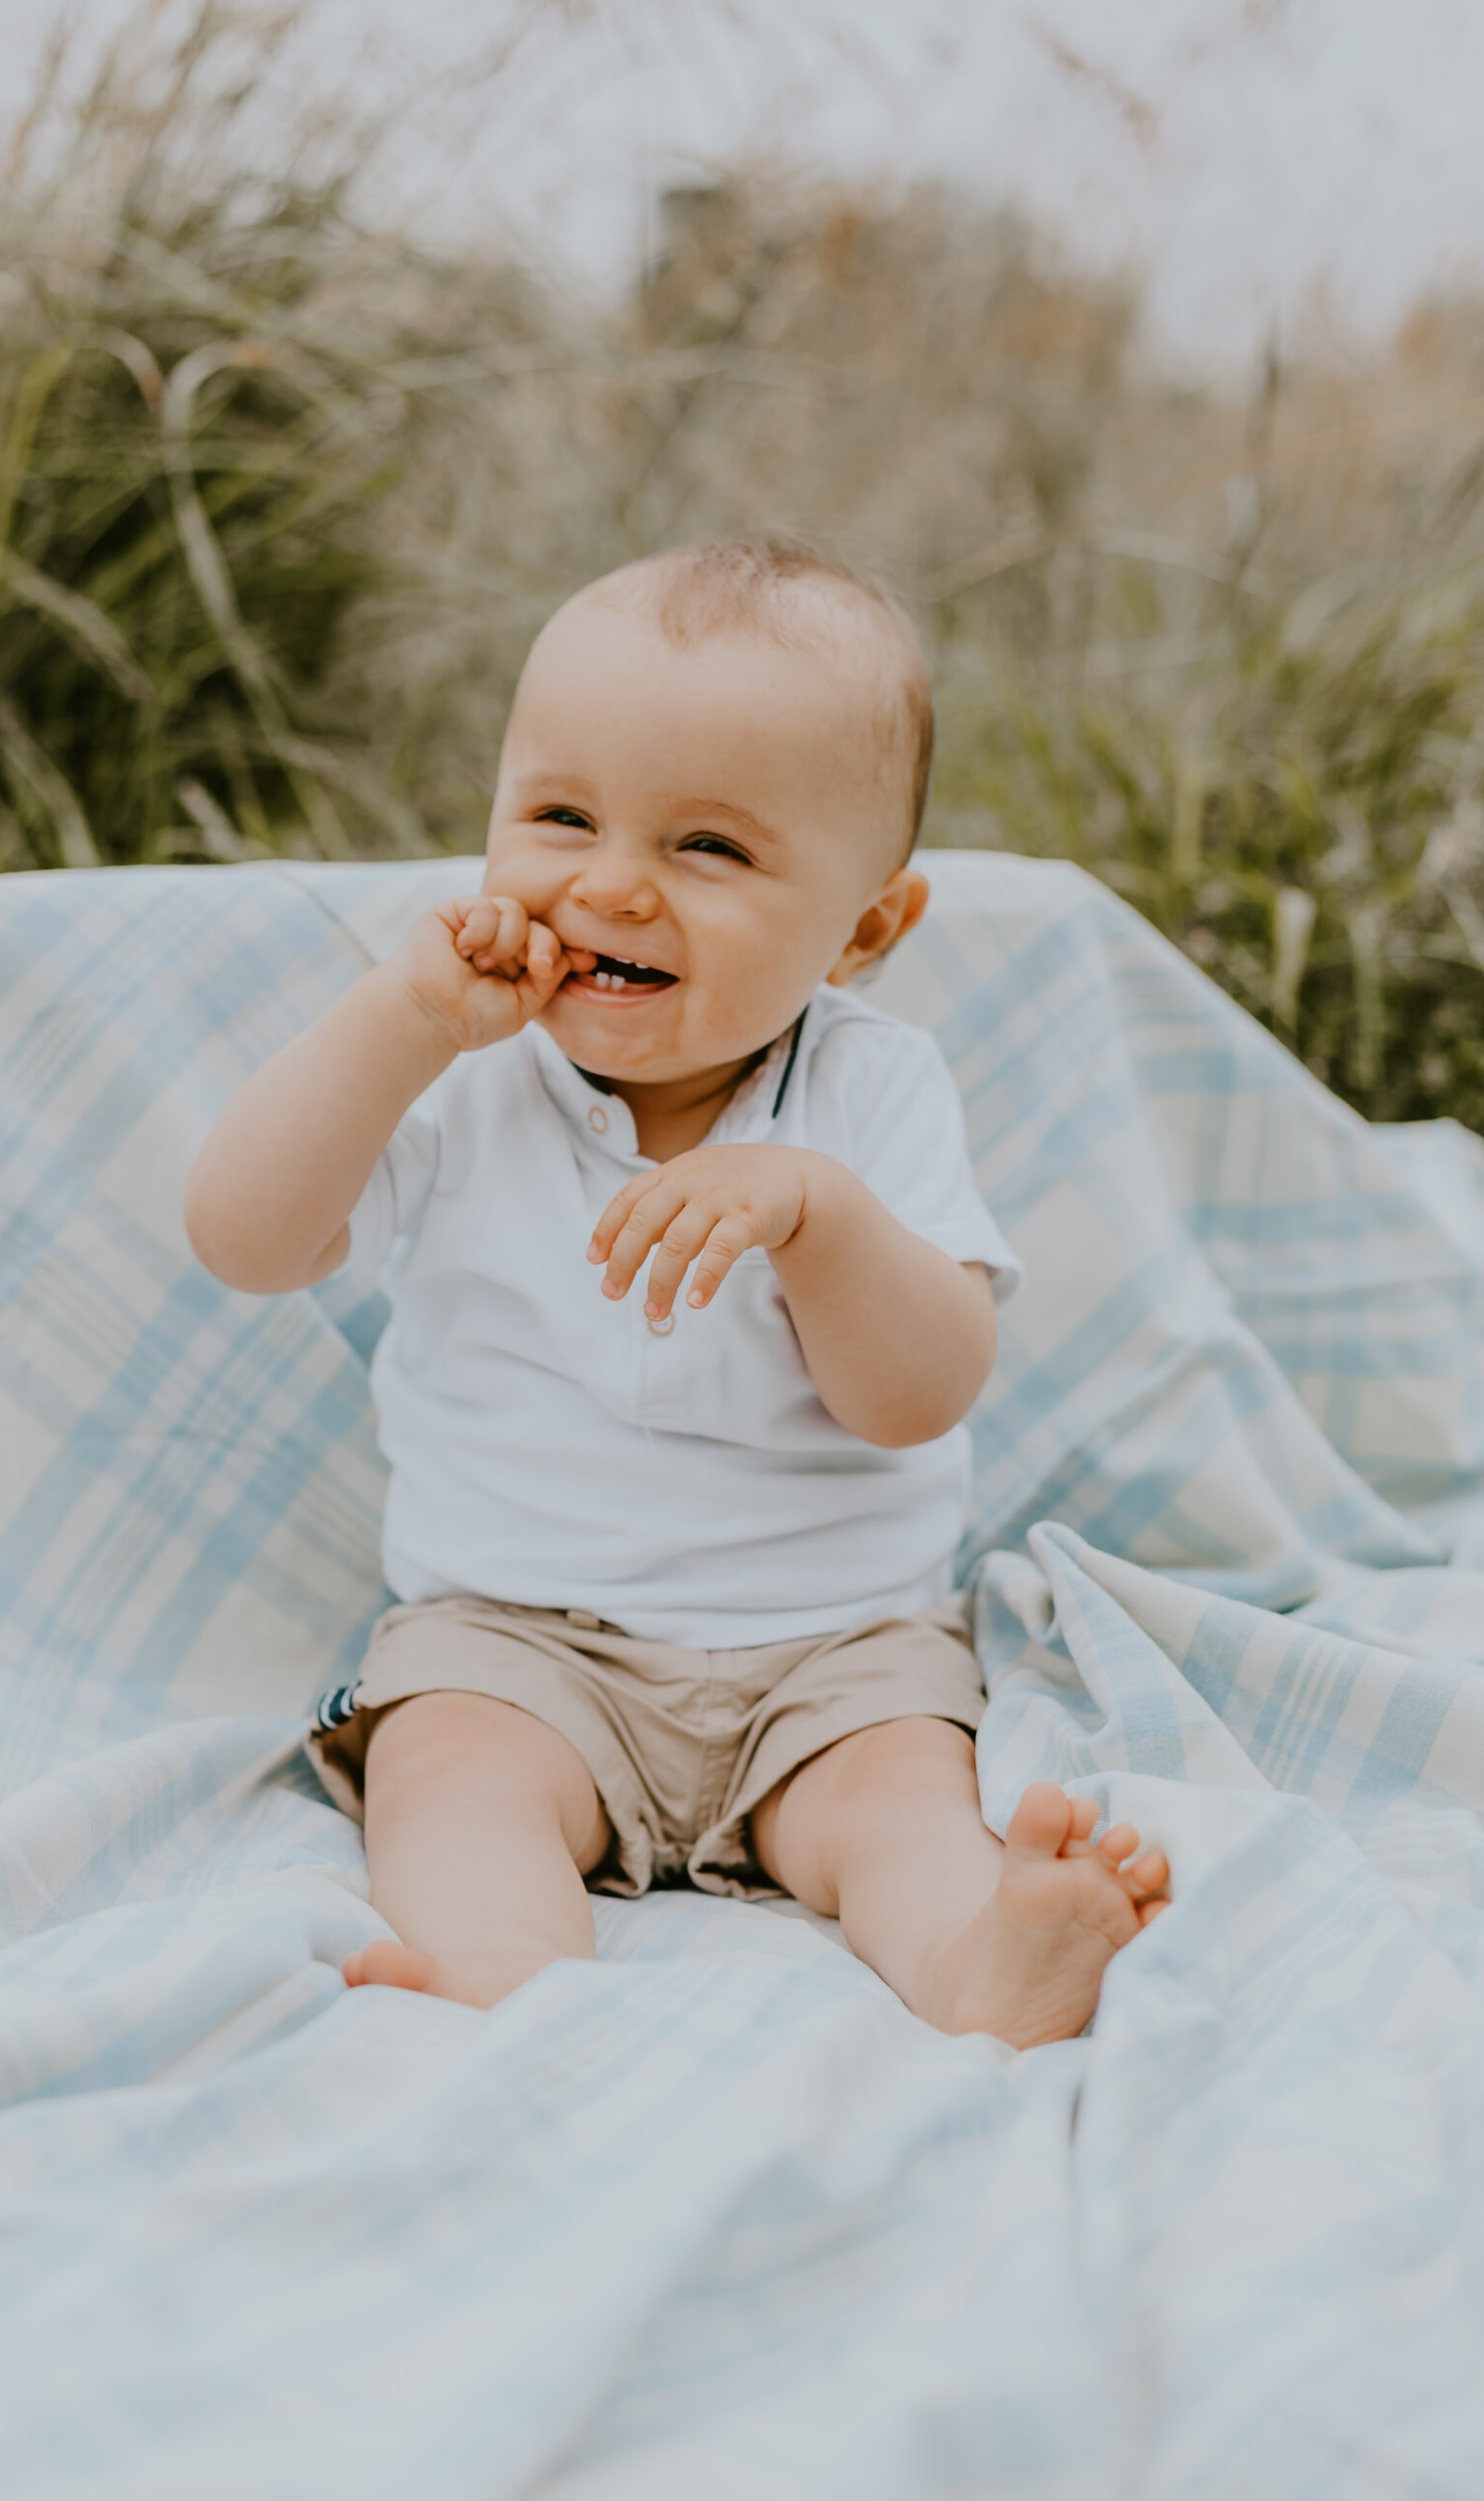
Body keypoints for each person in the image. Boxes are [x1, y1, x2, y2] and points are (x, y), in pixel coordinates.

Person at [185, 536, 1167, 2049]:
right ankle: (507, 1993)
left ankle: (984, 1963)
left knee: (900, 1808)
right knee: (447, 1780)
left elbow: (920, 1395)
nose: (614, 886)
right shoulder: (461, 1076)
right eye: (562, 816)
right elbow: (243, 1239)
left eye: (709, 849)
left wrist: (818, 1220)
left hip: (833, 1648)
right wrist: (397, 1023)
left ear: (862, 930)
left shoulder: (872, 1094)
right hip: (519, 1639)